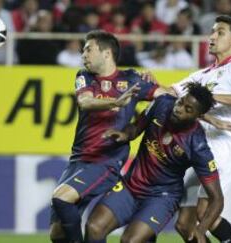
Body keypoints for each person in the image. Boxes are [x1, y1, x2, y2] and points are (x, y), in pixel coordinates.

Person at [49, 30, 164, 243]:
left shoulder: (132, 79)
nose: (83, 55)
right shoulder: (84, 76)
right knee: (57, 233)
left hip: (105, 160)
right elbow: (85, 102)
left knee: (61, 199)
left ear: (106, 53)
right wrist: (115, 102)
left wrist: (156, 84)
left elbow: (167, 97)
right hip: (79, 160)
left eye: (88, 49)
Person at [85, 83, 224, 243]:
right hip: (130, 186)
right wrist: (125, 134)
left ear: (198, 116)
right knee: (94, 228)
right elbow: (136, 127)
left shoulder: (197, 145)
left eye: (188, 110)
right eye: (181, 102)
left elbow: (217, 198)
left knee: (130, 241)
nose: (179, 109)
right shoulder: (162, 104)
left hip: (162, 197)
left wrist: (201, 229)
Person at [169, 15, 231, 243]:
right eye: (212, 31)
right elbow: (170, 92)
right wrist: (144, 86)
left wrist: (207, 97)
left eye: (220, 32)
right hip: (200, 146)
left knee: (203, 211)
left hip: (222, 145)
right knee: (183, 224)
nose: (212, 37)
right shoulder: (202, 75)